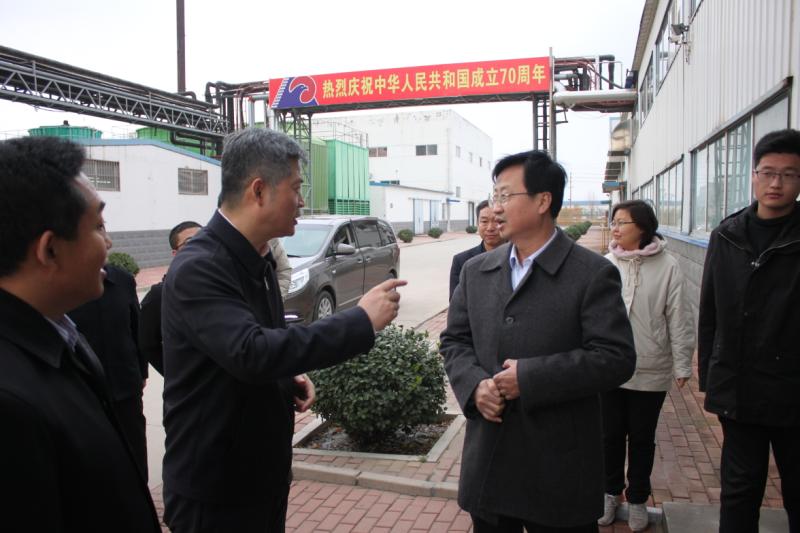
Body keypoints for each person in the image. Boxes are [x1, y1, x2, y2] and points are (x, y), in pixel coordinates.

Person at [161, 127, 405, 533]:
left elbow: (245, 350)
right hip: (217, 490)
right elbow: (251, 352)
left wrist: (283, 379)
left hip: (259, 476)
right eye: (295, 188)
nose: (302, 201)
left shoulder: (256, 259)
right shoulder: (200, 266)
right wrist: (360, 320)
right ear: (258, 190)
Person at [440, 149, 636, 533]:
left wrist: (530, 378)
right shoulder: (476, 271)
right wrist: (474, 385)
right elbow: (454, 341)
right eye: (494, 195)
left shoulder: (592, 274)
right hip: (492, 463)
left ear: (543, 201)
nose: (496, 208)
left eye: (505, 195)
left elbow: (616, 358)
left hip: (559, 469)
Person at [0, 136, 160, 532]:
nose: (109, 243)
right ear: (50, 250)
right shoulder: (11, 405)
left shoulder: (60, 338)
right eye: (97, 226)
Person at [698, 128, 800, 533]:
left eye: (789, 174)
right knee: (739, 491)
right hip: (739, 390)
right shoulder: (727, 234)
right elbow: (710, 311)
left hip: (793, 389)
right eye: (768, 172)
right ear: (753, 175)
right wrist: (711, 378)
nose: (776, 183)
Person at [599, 200, 694, 531]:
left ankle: (638, 498)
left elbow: (679, 317)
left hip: (651, 367)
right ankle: (610, 493)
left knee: (641, 438)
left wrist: (683, 364)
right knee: (609, 436)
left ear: (642, 226)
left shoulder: (668, 266)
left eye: (622, 222)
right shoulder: (606, 264)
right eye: (613, 222)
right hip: (610, 369)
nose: (615, 228)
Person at [69, 262, 150, 480]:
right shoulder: (64, 282)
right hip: (85, 391)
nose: (106, 244)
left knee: (135, 453)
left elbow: (137, 326)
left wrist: (141, 371)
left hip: (126, 383)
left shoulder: (123, 279)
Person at [139, 220, 201, 376]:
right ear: (175, 253)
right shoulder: (160, 295)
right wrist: (175, 375)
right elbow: (148, 344)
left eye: (206, 238)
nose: (202, 245)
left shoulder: (223, 284)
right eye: (190, 242)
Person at [449, 199, 504, 299]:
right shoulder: (462, 261)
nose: (490, 228)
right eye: (484, 221)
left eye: (497, 221)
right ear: (477, 223)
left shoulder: (519, 258)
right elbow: (455, 304)